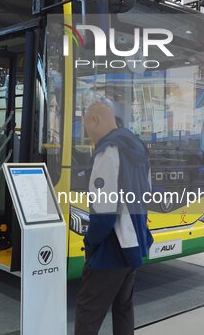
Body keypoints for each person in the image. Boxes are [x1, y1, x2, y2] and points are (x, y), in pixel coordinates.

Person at [74, 102, 153, 335]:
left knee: (88, 310)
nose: (87, 134)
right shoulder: (137, 147)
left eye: (86, 126)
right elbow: (146, 193)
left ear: (95, 121)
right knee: (123, 308)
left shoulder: (108, 152)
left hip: (111, 247)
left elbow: (104, 212)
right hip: (134, 244)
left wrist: (90, 243)